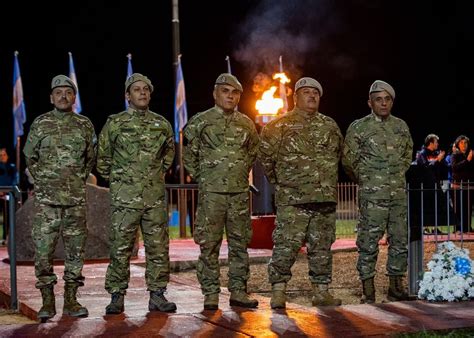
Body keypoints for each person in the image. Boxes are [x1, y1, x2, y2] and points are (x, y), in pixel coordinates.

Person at [258, 77, 343, 309]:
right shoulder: (278, 126)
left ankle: (321, 292)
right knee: (286, 245)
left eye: (315, 93)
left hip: (323, 198)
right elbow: (265, 158)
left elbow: (337, 154)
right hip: (293, 200)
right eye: (306, 92)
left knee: (322, 246)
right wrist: (283, 184)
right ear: (296, 97)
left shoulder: (329, 125)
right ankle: (278, 291)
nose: (312, 96)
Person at [96, 73, 177, 315]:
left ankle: (158, 295)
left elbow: (168, 156)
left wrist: (151, 178)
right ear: (127, 95)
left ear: (150, 94)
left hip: (153, 198)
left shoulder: (161, 124)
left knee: (158, 247)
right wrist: (122, 182)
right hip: (125, 199)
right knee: (121, 247)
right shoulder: (115, 123)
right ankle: (117, 296)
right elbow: (103, 160)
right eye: (136, 89)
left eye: (146, 89)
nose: (142, 93)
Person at [183, 73, 260, 310]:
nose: (230, 96)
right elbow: (189, 155)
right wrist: (205, 177)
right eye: (225, 91)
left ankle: (238, 291)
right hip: (212, 195)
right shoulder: (200, 121)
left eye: (235, 92)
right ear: (215, 93)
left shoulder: (246, 123)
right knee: (209, 244)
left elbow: (252, 152)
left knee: (239, 244)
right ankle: (210, 293)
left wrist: (238, 173)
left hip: (238, 194)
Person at [23, 75, 96, 321]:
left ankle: (72, 301)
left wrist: (74, 180)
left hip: (75, 200)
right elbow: (30, 157)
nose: (63, 96)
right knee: (43, 252)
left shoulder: (84, 124)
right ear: (51, 97)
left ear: (74, 97)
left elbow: (90, 158)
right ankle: (47, 302)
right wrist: (45, 181)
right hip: (47, 203)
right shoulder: (41, 123)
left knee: (76, 253)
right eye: (58, 93)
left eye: (68, 92)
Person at [342, 80, 413, 304]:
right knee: (368, 240)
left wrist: (395, 176)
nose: (383, 103)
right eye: (378, 99)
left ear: (392, 101)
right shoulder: (359, 127)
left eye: (387, 99)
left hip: (398, 195)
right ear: (370, 102)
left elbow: (407, 156)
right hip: (372, 197)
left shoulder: (400, 126)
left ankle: (396, 286)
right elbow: (348, 160)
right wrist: (367, 179)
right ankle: (368, 288)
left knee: (400, 239)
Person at [451, 135, 474, 233]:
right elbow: (454, 168)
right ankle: (458, 228)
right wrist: (467, 160)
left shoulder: (471, 154)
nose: (464, 145)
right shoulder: (455, 155)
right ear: (458, 144)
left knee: (468, 208)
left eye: (465, 143)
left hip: (469, 186)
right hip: (458, 186)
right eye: (461, 143)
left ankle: (467, 227)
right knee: (458, 209)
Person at [0, 148, 18, 245]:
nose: (2, 157)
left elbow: (15, 180)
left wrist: (8, 191)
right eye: (0, 155)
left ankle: (7, 237)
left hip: (8, 194)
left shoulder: (12, 167)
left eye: (4, 155)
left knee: (8, 217)